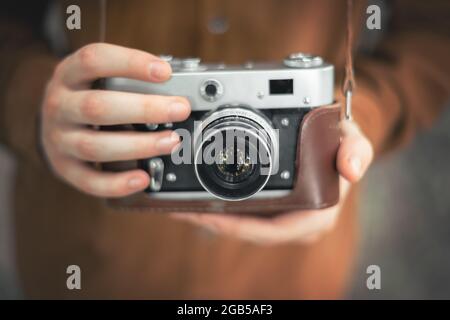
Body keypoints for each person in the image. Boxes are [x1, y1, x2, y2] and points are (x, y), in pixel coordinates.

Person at [0, 0, 449, 299]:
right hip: (89, 257)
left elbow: (434, 30)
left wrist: (356, 118)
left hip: (290, 275)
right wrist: (37, 103)